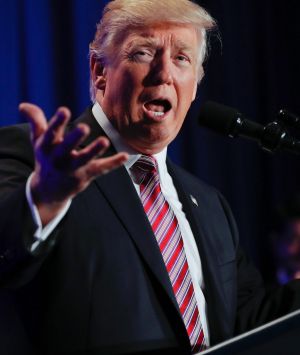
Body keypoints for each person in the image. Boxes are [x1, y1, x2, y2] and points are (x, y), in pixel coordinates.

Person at [0, 1, 300, 354]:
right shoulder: (35, 158)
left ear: (195, 88)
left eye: (182, 59)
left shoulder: (210, 205)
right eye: (143, 53)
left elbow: (248, 321)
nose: (164, 73)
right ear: (100, 71)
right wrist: (45, 198)